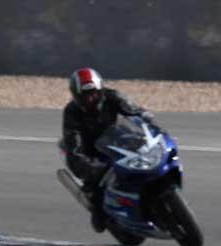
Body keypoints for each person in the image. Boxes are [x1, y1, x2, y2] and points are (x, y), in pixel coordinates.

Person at [63, 67, 157, 232]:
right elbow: (74, 143)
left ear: (100, 89)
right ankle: (99, 209)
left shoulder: (112, 96)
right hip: (90, 150)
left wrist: (144, 116)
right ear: (77, 96)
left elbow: (132, 110)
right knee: (98, 184)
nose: (90, 97)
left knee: (145, 155)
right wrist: (87, 165)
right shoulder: (72, 112)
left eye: (93, 92)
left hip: (116, 140)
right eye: (85, 95)